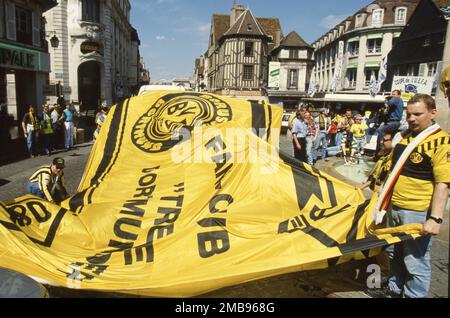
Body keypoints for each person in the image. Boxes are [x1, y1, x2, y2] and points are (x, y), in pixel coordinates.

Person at [383, 94, 449, 298]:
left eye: (418, 114)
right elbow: (389, 167)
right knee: (393, 253)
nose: (412, 119)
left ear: (433, 113)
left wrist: (435, 218)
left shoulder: (441, 142)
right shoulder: (405, 136)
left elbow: (443, 183)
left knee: (415, 259)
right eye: (409, 114)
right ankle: (395, 290)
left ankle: (414, 295)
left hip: (416, 211)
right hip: (393, 206)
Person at [376, 90, 404, 155]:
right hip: (393, 122)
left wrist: (387, 100)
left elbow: (390, 102)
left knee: (380, 130)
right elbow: (387, 112)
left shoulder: (397, 99)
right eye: (392, 94)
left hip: (394, 122)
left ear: (399, 95)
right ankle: (387, 153)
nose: (392, 95)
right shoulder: (395, 103)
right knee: (390, 139)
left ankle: (381, 146)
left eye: (394, 94)